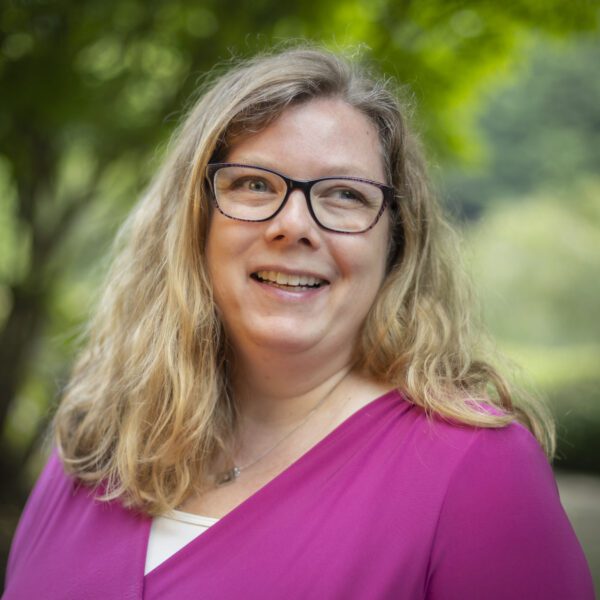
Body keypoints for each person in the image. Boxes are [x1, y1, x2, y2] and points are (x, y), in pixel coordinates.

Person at [3, 46, 594, 600]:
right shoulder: (97, 433)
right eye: (255, 184)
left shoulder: (477, 473)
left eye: (343, 195)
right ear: (195, 221)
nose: (294, 225)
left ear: (396, 242)